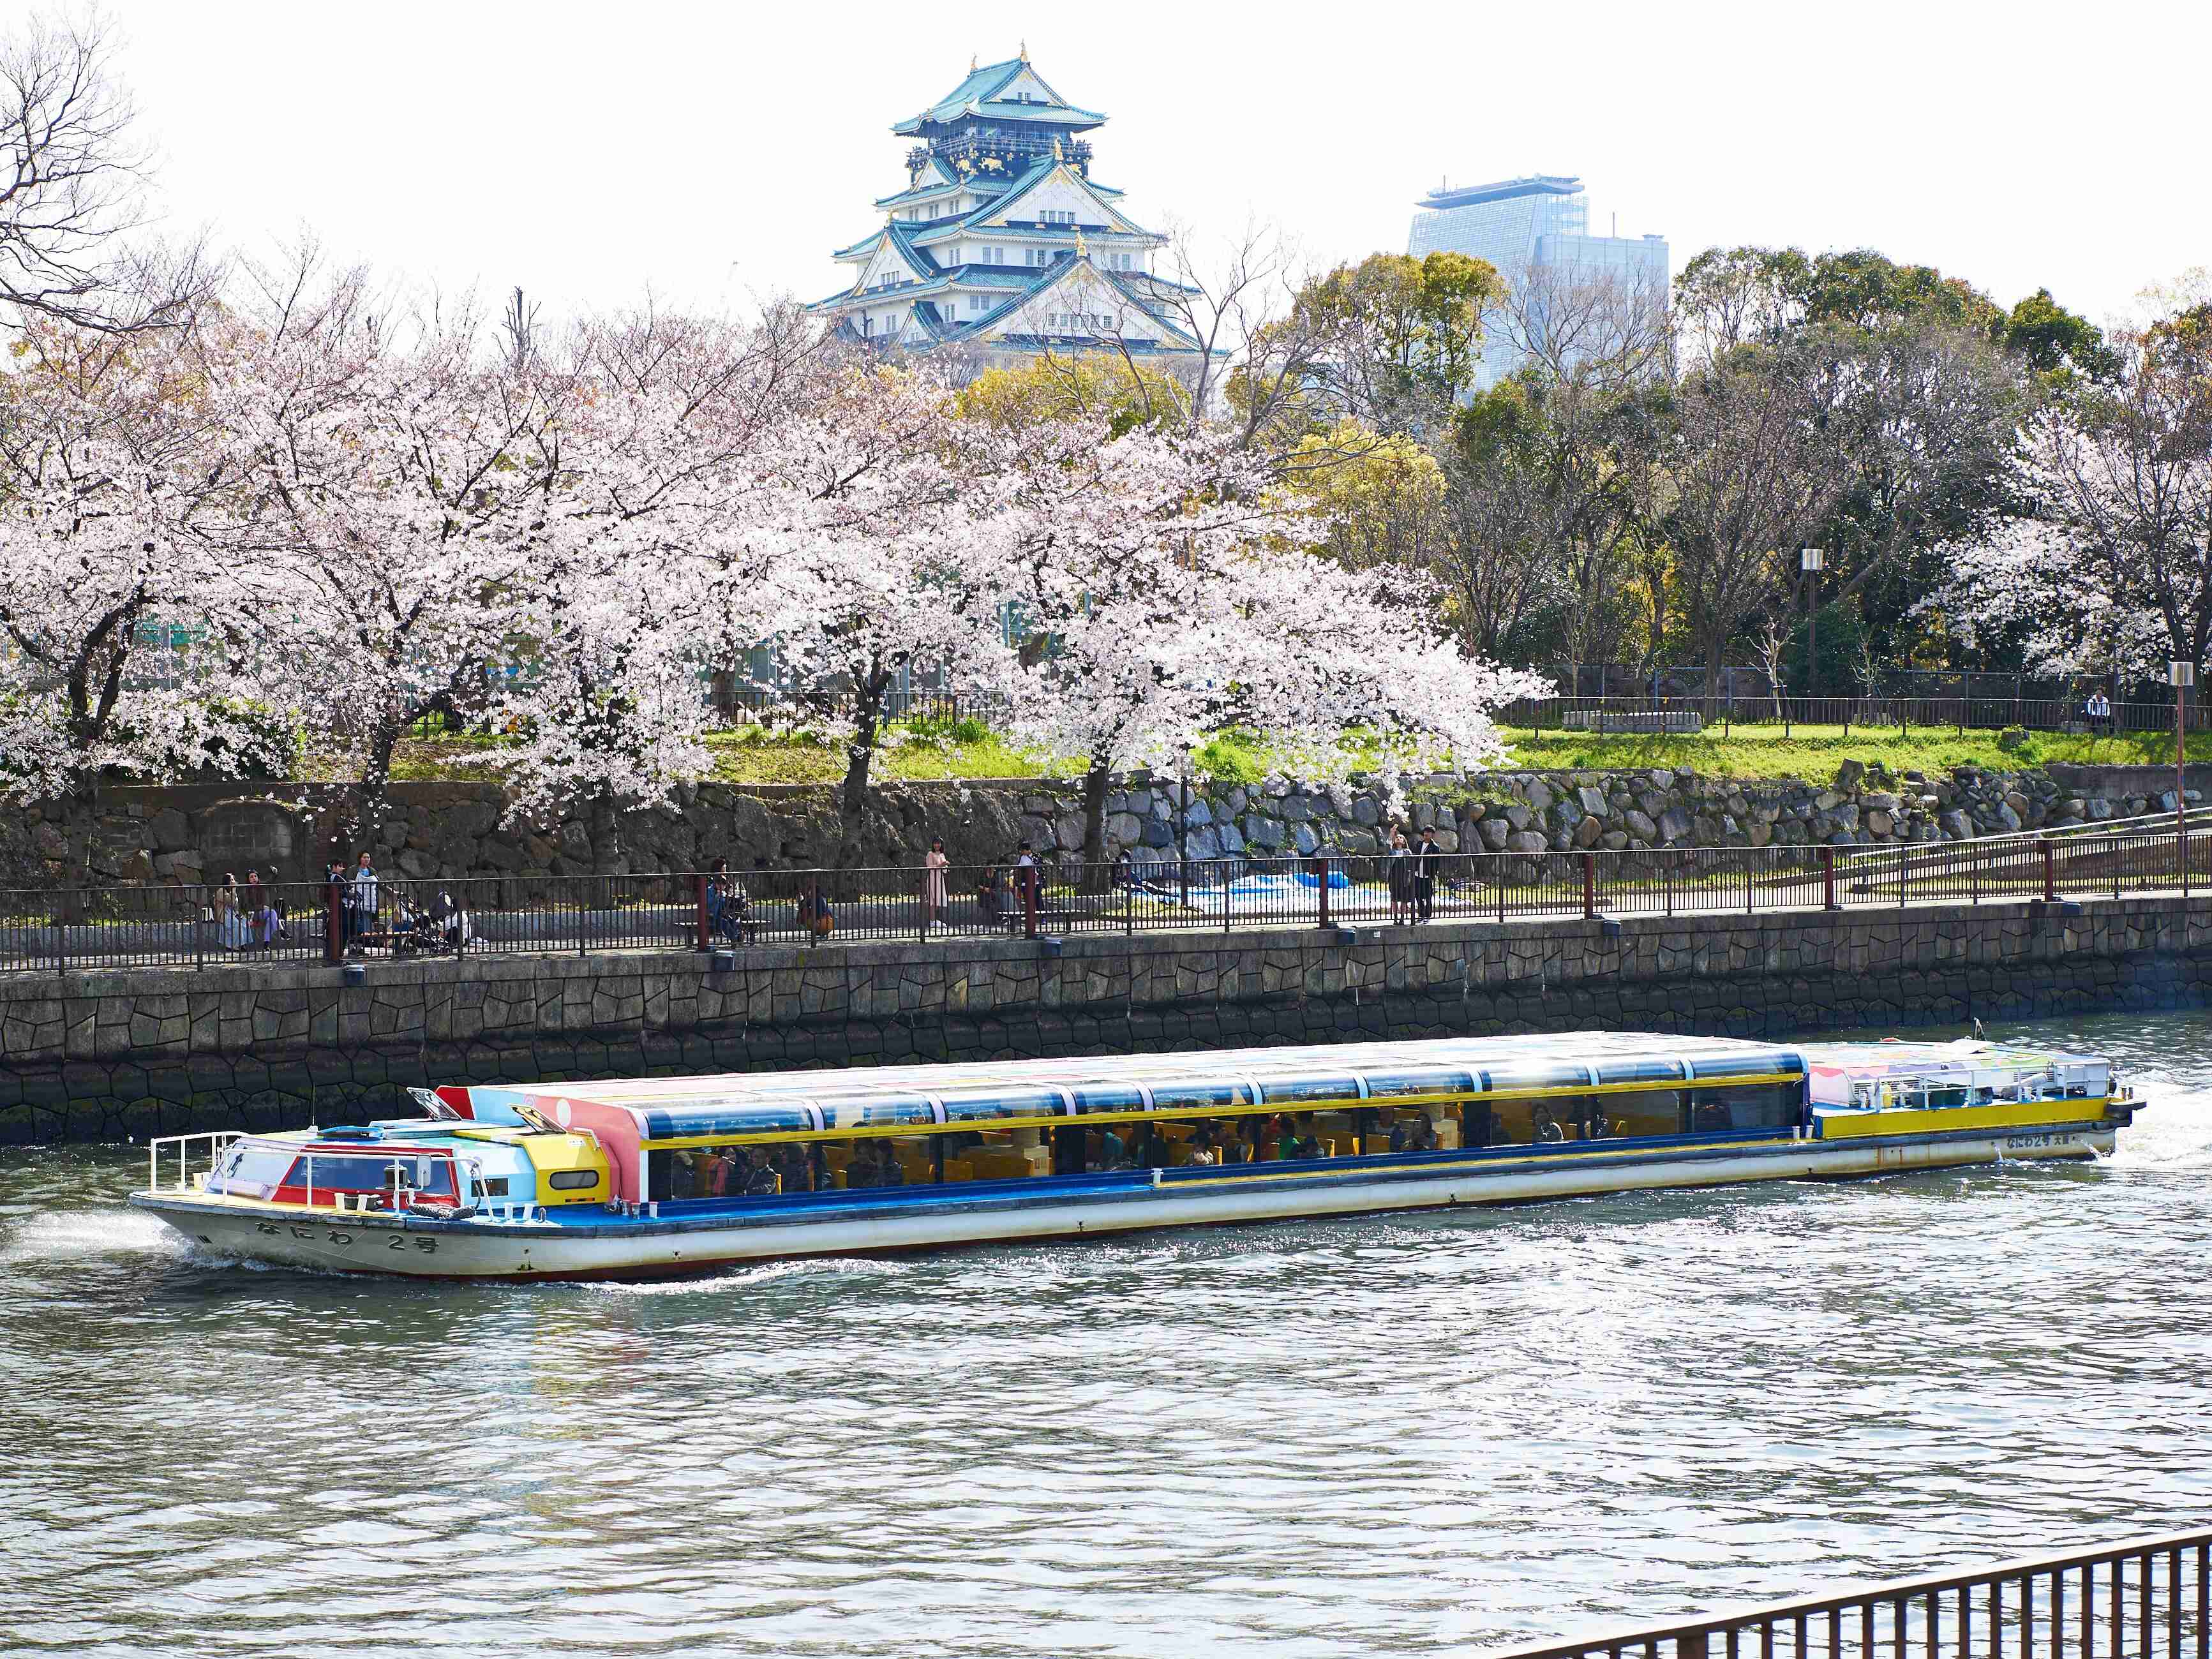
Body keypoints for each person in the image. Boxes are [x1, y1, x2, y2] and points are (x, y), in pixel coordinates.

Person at [346, 852, 378, 953]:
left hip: (369, 903)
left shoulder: (372, 870)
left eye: (368, 857)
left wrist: (391, 892)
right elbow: (348, 882)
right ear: (360, 858)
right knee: (355, 925)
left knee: (365, 927)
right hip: (356, 902)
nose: (366, 859)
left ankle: (360, 948)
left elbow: (378, 883)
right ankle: (352, 948)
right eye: (364, 857)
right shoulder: (353, 869)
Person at [1386, 828, 1415, 925]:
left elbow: (1411, 864)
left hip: (1404, 878)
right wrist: (1391, 833)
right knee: (1394, 899)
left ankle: (1402, 918)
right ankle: (1395, 918)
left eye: (1401, 838)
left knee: (1404, 899)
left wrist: (1410, 877)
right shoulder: (1392, 851)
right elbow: (1387, 845)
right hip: (1394, 878)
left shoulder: (1407, 851)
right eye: (1397, 837)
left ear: (1404, 841)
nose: (1399, 839)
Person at [213, 873, 247, 949]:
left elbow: (235, 905)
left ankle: (242, 943)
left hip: (232, 913)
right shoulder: (221, 891)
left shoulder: (232, 892)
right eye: (231, 880)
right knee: (236, 924)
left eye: (233, 879)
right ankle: (236, 945)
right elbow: (230, 901)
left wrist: (239, 913)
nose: (233, 881)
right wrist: (234, 889)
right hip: (224, 913)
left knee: (244, 922)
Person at [1414, 826, 1440, 921]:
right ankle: (1421, 915)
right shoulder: (1419, 844)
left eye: (1428, 832)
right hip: (1417, 874)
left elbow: (1436, 863)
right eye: (1425, 832)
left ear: (1432, 834)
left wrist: (1432, 875)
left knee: (1428, 896)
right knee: (1418, 895)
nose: (1426, 833)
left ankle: (1428, 915)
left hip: (1427, 875)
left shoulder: (1435, 847)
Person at [923, 839, 951, 925]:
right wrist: (941, 865)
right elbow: (929, 866)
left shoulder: (942, 854)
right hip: (932, 878)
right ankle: (932, 921)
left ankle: (935, 920)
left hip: (940, 878)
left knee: (939, 898)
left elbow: (945, 870)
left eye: (939, 843)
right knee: (933, 899)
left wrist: (945, 865)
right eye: (935, 843)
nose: (937, 845)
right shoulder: (930, 854)